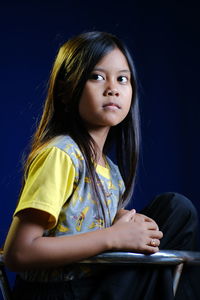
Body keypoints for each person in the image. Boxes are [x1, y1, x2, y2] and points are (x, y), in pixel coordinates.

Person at [4, 31, 200, 300]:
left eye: (122, 79)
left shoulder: (111, 170)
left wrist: (119, 222)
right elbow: (19, 253)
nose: (113, 88)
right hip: (56, 292)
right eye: (97, 77)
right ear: (65, 89)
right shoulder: (61, 154)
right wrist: (112, 237)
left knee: (176, 209)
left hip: (96, 285)